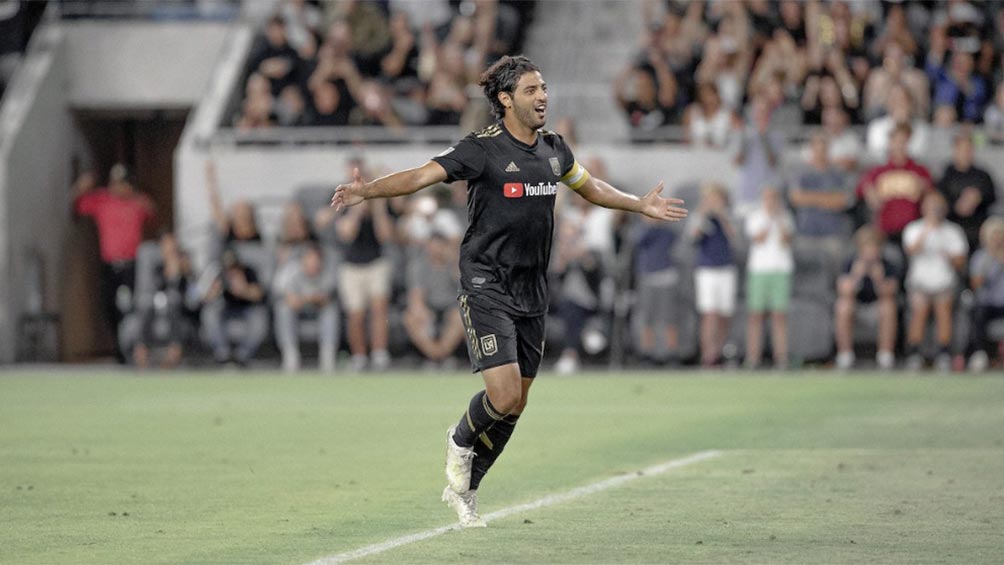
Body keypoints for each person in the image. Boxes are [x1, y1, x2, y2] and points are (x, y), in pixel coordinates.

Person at [330, 55, 687, 527]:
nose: (542, 97)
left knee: (516, 401)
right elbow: (421, 176)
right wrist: (367, 191)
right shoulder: (481, 150)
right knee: (500, 395)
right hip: (485, 283)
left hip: (531, 288)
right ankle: (459, 440)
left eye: (544, 88)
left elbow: (590, 186)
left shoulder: (554, 149)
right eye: (531, 90)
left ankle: (467, 490)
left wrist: (638, 204)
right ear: (506, 99)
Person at [73, 164, 156, 361]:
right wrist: (82, 187)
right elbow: (78, 205)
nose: (117, 188)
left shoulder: (137, 202)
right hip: (110, 264)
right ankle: (120, 348)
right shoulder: (102, 200)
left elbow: (152, 211)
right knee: (110, 306)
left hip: (132, 264)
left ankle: (134, 346)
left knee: (133, 307)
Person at [326, 162, 395, 372]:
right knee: (355, 314)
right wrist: (357, 207)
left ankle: (379, 353)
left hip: (376, 261)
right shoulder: (341, 196)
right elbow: (346, 233)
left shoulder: (377, 201)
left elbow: (385, 236)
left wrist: (377, 200)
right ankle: (359, 355)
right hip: (351, 265)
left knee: (378, 308)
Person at [902, 192, 969, 371]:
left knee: (943, 307)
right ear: (924, 208)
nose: (934, 209)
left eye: (938, 206)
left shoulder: (953, 231)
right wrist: (928, 230)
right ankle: (914, 352)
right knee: (920, 307)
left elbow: (960, 261)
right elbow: (911, 250)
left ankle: (944, 352)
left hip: (944, 282)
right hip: (920, 282)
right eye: (931, 205)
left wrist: (947, 253)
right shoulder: (914, 228)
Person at [833, 226, 900, 370]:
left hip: (877, 306)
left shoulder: (887, 264)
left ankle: (885, 355)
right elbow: (843, 291)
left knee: (888, 306)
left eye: (874, 247)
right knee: (843, 306)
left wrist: (879, 279)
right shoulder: (850, 263)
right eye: (867, 247)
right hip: (856, 306)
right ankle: (845, 355)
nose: (870, 252)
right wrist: (856, 276)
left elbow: (890, 292)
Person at [856, 123, 933, 244]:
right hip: (885, 230)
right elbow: (862, 189)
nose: (899, 145)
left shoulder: (920, 171)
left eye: (903, 141)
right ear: (890, 142)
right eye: (896, 141)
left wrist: (924, 189)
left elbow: (931, 196)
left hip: (912, 231)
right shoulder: (877, 172)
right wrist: (869, 192)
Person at [744, 186, 794, 369]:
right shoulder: (755, 217)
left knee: (779, 315)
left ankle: (781, 357)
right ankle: (753, 357)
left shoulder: (786, 217)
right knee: (756, 315)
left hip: (781, 269)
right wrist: (769, 219)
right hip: (759, 270)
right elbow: (759, 238)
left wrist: (778, 219)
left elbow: (787, 239)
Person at [689, 182, 737, 368]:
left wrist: (721, 216)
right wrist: (702, 216)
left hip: (726, 269)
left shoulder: (729, 216)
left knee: (724, 314)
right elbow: (692, 237)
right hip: (707, 270)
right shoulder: (700, 216)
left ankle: (720, 350)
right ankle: (708, 355)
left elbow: (735, 238)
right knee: (709, 313)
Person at [131, 232, 196, 369]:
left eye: (173, 245)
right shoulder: (156, 265)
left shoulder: (185, 263)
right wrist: (169, 272)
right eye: (167, 245)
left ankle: (174, 352)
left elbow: (189, 294)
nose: (171, 248)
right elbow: (156, 287)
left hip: (178, 307)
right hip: (156, 307)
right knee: (147, 307)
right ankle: (141, 350)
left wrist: (184, 272)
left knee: (173, 304)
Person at [787, 131, 853, 266]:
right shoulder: (801, 172)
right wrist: (827, 198)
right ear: (811, 149)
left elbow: (842, 201)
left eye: (823, 148)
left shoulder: (838, 173)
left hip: (832, 232)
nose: (820, 153)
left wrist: (810, 198)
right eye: (816, 148)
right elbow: (796, 198)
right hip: (806, 231)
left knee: (835, 272)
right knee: (806, 275)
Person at [402, 231, 465, 368]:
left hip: (451, 306)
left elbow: (464, 289)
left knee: (460, 317)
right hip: (429, 306)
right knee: (411, 318)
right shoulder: (418, 266)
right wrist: (421, 311)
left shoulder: (454, 264)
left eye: (440, 246)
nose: (436, 249)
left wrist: (454, 261)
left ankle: (442, 354)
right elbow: (416, 296)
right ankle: (434, 356)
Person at [273, 244, 338, 372]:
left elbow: (326, 297)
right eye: (309, 259)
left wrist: (307, 298)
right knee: (283, 309)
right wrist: (292, 298)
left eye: (316, 260)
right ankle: (290, 355)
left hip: (318, 309)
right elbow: (280, 291)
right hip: (297, 308)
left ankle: (327, 355)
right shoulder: (291, 270)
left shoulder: (328, 271)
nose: (313, 264)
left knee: (331, 310)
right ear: (303, 260)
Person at [199, 249, 269, 366]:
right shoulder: (219, 274)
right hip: (226, 309)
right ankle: (223, 354)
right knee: (209, 313)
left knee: (260, 318)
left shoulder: (249, 272)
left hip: (248, 308)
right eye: (228, 268)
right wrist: (215, 291)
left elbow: (260, 294)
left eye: (234, 267)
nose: (231, 271)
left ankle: (243, 355)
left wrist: (244, 291)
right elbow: (203, 299)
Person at [631, 214, 680, 364]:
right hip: (647, 277)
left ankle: (671, 353)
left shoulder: (668, 231)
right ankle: (647, 353)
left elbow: (675, 241)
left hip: (666, 277)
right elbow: (638, 240)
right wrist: (649, 223)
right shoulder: (642, 230)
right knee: (647, 317)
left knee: (668, 317)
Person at [937, 132, 997, 253]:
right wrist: (957, 206)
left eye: (969, 149)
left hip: (978, 226)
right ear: (955, 150)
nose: (965, 153)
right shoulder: (947, 174)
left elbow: (992, 197)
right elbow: (939, 200)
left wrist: (978, 198)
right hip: (952, 226)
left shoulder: (982, 175)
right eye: (962, 149)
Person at [967, 217, 1004, 372]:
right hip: (988, 303)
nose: (997, 238)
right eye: (994, 235)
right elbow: (976, 283)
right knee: (978, 312)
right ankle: (980, 353)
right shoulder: (981, 256)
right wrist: (991, 258)